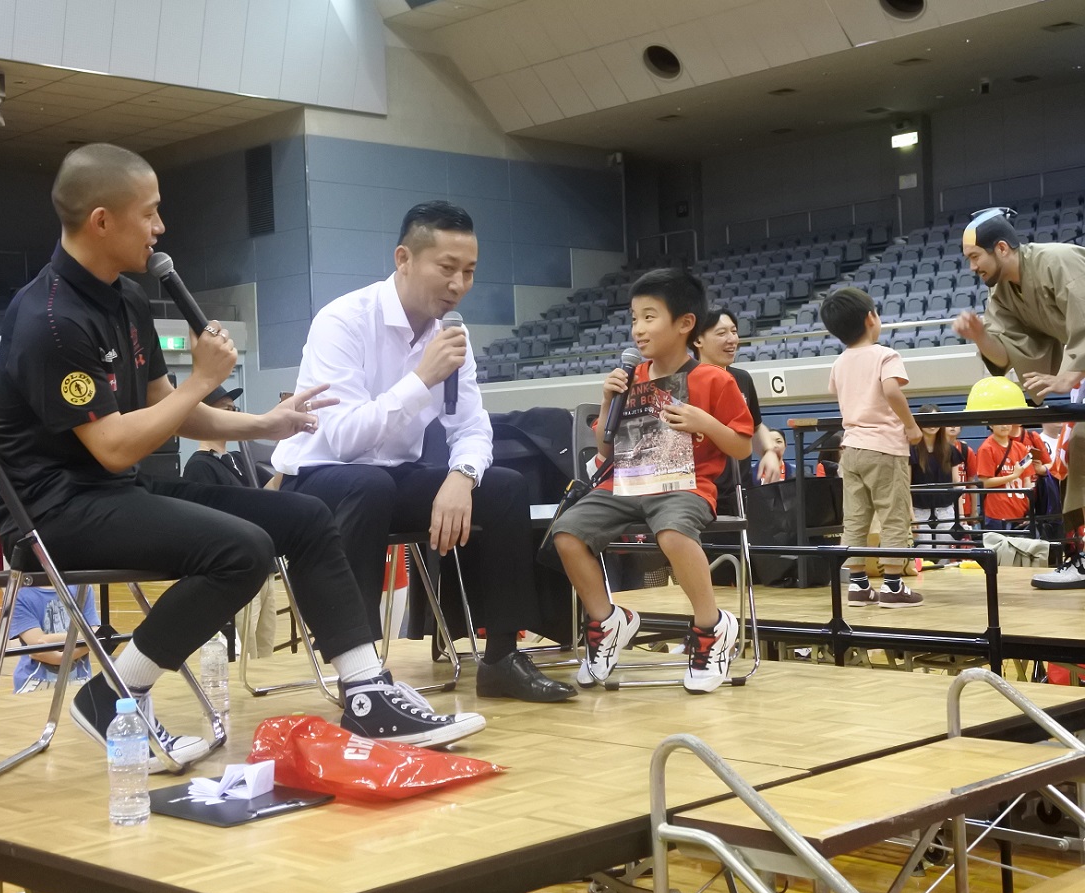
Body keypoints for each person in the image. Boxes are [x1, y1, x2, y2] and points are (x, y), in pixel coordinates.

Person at [0, 144, 484, 769]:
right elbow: (113, 448)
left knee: (305, 517)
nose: (161, 227)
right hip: (54, 512)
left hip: (118, 493)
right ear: (102, 221)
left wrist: (264, 423)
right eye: (150, 213)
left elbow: (167, 406)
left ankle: (365, 692)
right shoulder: (51, 320)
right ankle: (113, 693)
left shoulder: (127, 299)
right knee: (241, 550)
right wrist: (203, 379)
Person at [273, 201, 575, 704]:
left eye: (469, 271)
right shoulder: (343, 321)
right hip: (320, 476)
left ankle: (501, 658)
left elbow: (472, 425)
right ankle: (359, 670)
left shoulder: (451, 335)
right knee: (368, 484)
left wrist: (462, 477)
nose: (459, 284)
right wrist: (421, 379)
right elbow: (344, 438)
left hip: (393, 476)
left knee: (503, 487)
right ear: (404, 259)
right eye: (447, 268)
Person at [550, 268, 754, 693]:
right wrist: (607, 401)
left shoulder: (715, 379)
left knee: (673, 532)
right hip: (627, 482)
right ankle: (608, 620)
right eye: (634, 318)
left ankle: (711, 626)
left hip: (686, 486)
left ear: (685, 323)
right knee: (567, 533)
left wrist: (704, 422)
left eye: (649, 317)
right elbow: (606, 450)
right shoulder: (631, 378)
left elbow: (741, 447)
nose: (638, 329)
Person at [952, 206, 1085, 586]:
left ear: (1002, 248)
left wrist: (1070, 375)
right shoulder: (1002, 294)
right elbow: (1005, 354)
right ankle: (1080, 556)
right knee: (1073, 454)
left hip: (1081, 369)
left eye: (975, 256)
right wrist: (980, 336)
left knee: (1081, 445)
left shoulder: (1058, 260)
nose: (972, 267)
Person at [820, 287, 923, 608]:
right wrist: (910, 425)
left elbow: (836, 392)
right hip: (884, 448)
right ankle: (892, 587)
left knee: (855, 519)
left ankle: (858, 586)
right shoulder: (885, 355)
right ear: (870, 319)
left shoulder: (839, 362)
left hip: (851, 449)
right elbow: (891, 390)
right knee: (894, 516)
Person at [180, 385, 277, 658]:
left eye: (235, 410)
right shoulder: (199, 466)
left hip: (265, 567)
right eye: (226, 410)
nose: (234, 415)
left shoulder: (238, 458)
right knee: (245, 652)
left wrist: (290, 453)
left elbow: (270, 494)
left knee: (265, 652)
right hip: (241, 569)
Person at [689, 307, 781, 508]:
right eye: (721, 333)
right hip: (698, 495)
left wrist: (769, 451)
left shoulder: (742, 379)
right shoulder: (684, 382)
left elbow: (755, 426)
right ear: (697, 340)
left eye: (734, 331)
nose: (732, 339)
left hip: (739, 492)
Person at [10, 585, 98, 693]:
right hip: (32, 684)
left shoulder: (82, 587)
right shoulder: (20, 595)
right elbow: (37, 642)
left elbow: (96, 635)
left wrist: (60, 658)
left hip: (80, 682)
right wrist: (85, 637)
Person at [909, 404, 965, 558]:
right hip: (920, 512)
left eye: (935, 419)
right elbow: (906, 486)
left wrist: (961, 516)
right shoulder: (912, 450)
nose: (932, 425)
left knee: (945, 557)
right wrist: (912, 518)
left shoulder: (950, 450)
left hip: (946, 511)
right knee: (923, 557)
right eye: (928, 420)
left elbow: (957, 484)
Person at [977, 423, 1038, 531]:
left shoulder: (1021, 448)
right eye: (1000, 422)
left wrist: (1030, 511)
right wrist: (1013, 476)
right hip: (996, 513)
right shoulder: (986, 448)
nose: (1004, 426)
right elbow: (984, 482)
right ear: (991, 425)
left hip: (1020, 511)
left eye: (1007, 422)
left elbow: (1027, 481)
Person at [946, 424, 978, 529]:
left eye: (956, 424)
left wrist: (974, 510)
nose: (952, 427)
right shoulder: (936, 450)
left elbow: (972, 482)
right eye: (948, 425)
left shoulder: (966, 450)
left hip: (965, 508)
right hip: (945, 508)